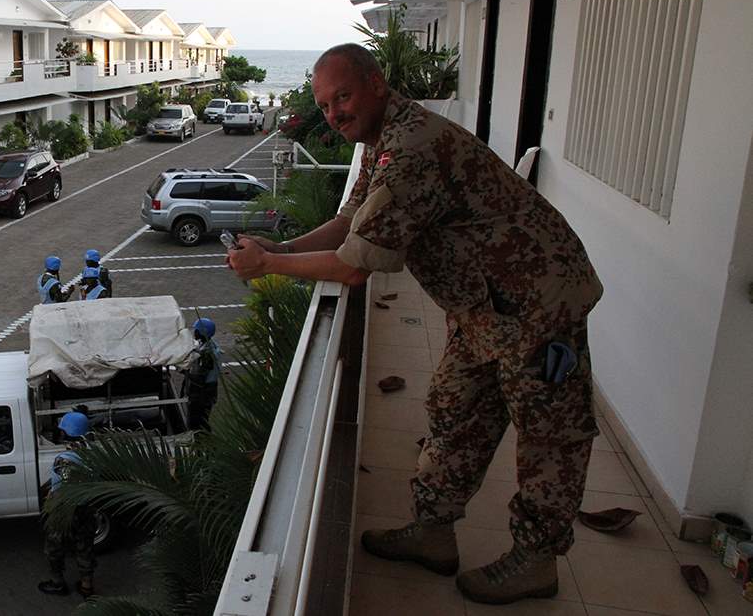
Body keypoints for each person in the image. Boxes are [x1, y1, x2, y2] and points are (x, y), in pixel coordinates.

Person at [227, 43, 603, 605]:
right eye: (325, 105)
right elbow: (350, 223)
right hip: (483, 309)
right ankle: (433, 532)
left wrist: (269, 265)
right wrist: (281, 246)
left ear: (377, 84)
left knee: (548, 437)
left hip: (537, 305)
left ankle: (536, 560)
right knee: (453, 410)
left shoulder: (412, 149)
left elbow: (355, 267)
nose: (334, 114)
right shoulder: (383, 142)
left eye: (343, 97)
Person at [38, 411, 97, 598]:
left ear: (65, 433)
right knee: (84, 546)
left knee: (54, 547)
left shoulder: (63, 460)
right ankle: (86, 586)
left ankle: (57, 583)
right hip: (86, 508)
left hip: (64, 510)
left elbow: (60, 486)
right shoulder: (93, 456)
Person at [183, 317, 222, 430]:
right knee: (201, 419)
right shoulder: (209, 345)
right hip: (206, 391)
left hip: (203, 393)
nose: (194, 332)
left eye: (196, 330)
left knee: (197, 422)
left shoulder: (207, 354)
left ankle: (203, 444)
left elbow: (199, 379)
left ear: (201, 332)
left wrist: (183, 370)